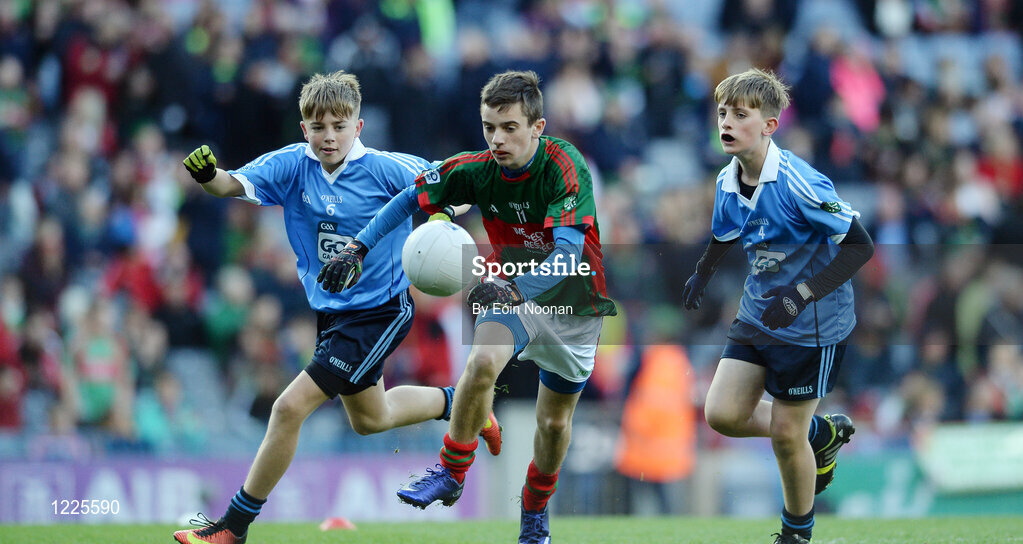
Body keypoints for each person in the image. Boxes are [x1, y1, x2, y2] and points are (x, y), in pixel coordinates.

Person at [172, 70, 501, 544]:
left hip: (381, 312)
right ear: (304, 128)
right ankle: (465, 405)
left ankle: (232, 528)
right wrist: (208, 176)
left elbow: (454, 190)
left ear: (358, 127)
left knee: (288, 408)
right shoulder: (291, 165)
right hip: (332, 313)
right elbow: (229, 186)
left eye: (339, 126)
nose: (329, 136)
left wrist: (442, 217)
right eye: (319, 127)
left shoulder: (388, 168)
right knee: (372, 419)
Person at [319, 70, 617, 544]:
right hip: (511, 292)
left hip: (572, 302)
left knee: (554, 422)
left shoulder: (565, 166)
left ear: (537, 127)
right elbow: (405, 200)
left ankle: (535, 510)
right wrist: (357, 247)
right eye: (489, 127)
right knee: (481, 362)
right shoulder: (474, 169)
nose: (497, 139)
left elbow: (566, 258)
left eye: (509, 128)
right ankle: (452, 471)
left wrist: (518, 289)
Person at [682, 68, 874, 544]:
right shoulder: (728, 179)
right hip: (759, 311)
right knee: (722, 414)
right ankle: (819, 435)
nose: (725, 122)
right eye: (722, 112)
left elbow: (860, 245)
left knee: (787, 437)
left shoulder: (799, 182)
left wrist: (802, 294)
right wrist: (703, 271)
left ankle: (796, 534)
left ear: (769, 125)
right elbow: (725, 232)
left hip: (813, 324)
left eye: (740, 115)